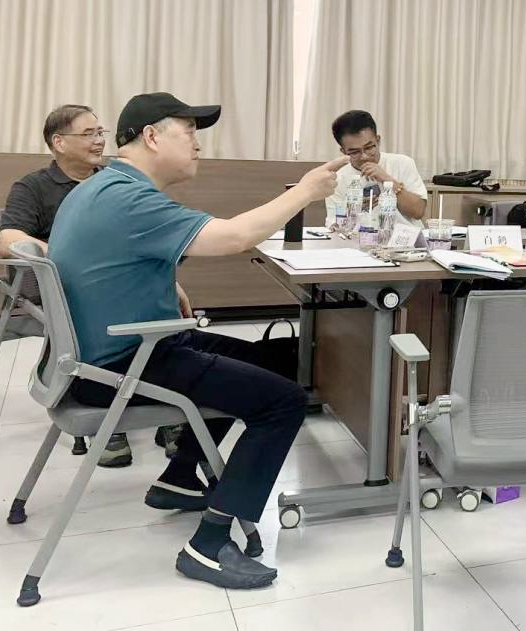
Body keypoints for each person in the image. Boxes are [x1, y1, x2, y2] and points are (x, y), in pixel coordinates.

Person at [48, 92, 347, 590]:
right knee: (283, 402)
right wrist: (306, 191)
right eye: (189, 132)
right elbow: (233, 237)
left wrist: (167, 283)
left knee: (273, 362)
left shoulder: (102, 188)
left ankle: (180, 477)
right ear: (151, 137)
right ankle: (208, 545)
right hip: (124, 364)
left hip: (114, 352)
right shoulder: (130, 198)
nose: (198, 145)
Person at [0, 104, 140, 469]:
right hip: (64, 288)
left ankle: (165, 404)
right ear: (59, 142)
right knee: (109, 312)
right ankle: (105, 413)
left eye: (100, 132)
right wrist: (69, 258)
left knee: (159, 303)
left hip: (120, 284)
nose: (99, 140)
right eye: (88, 134)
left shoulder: (116, 181)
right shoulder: (33, 187)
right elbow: (8, 239)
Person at [325, 109, 428, 228]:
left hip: (406, 237)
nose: (364, 156)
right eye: (354, 152)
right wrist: (353, 211)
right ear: (343, 151)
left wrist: (388, 180)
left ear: (378, 141)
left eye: (369, 147)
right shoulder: (336, 180)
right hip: (360, 238)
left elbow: (418, 212)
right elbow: (334, 227)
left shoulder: (403, 163)